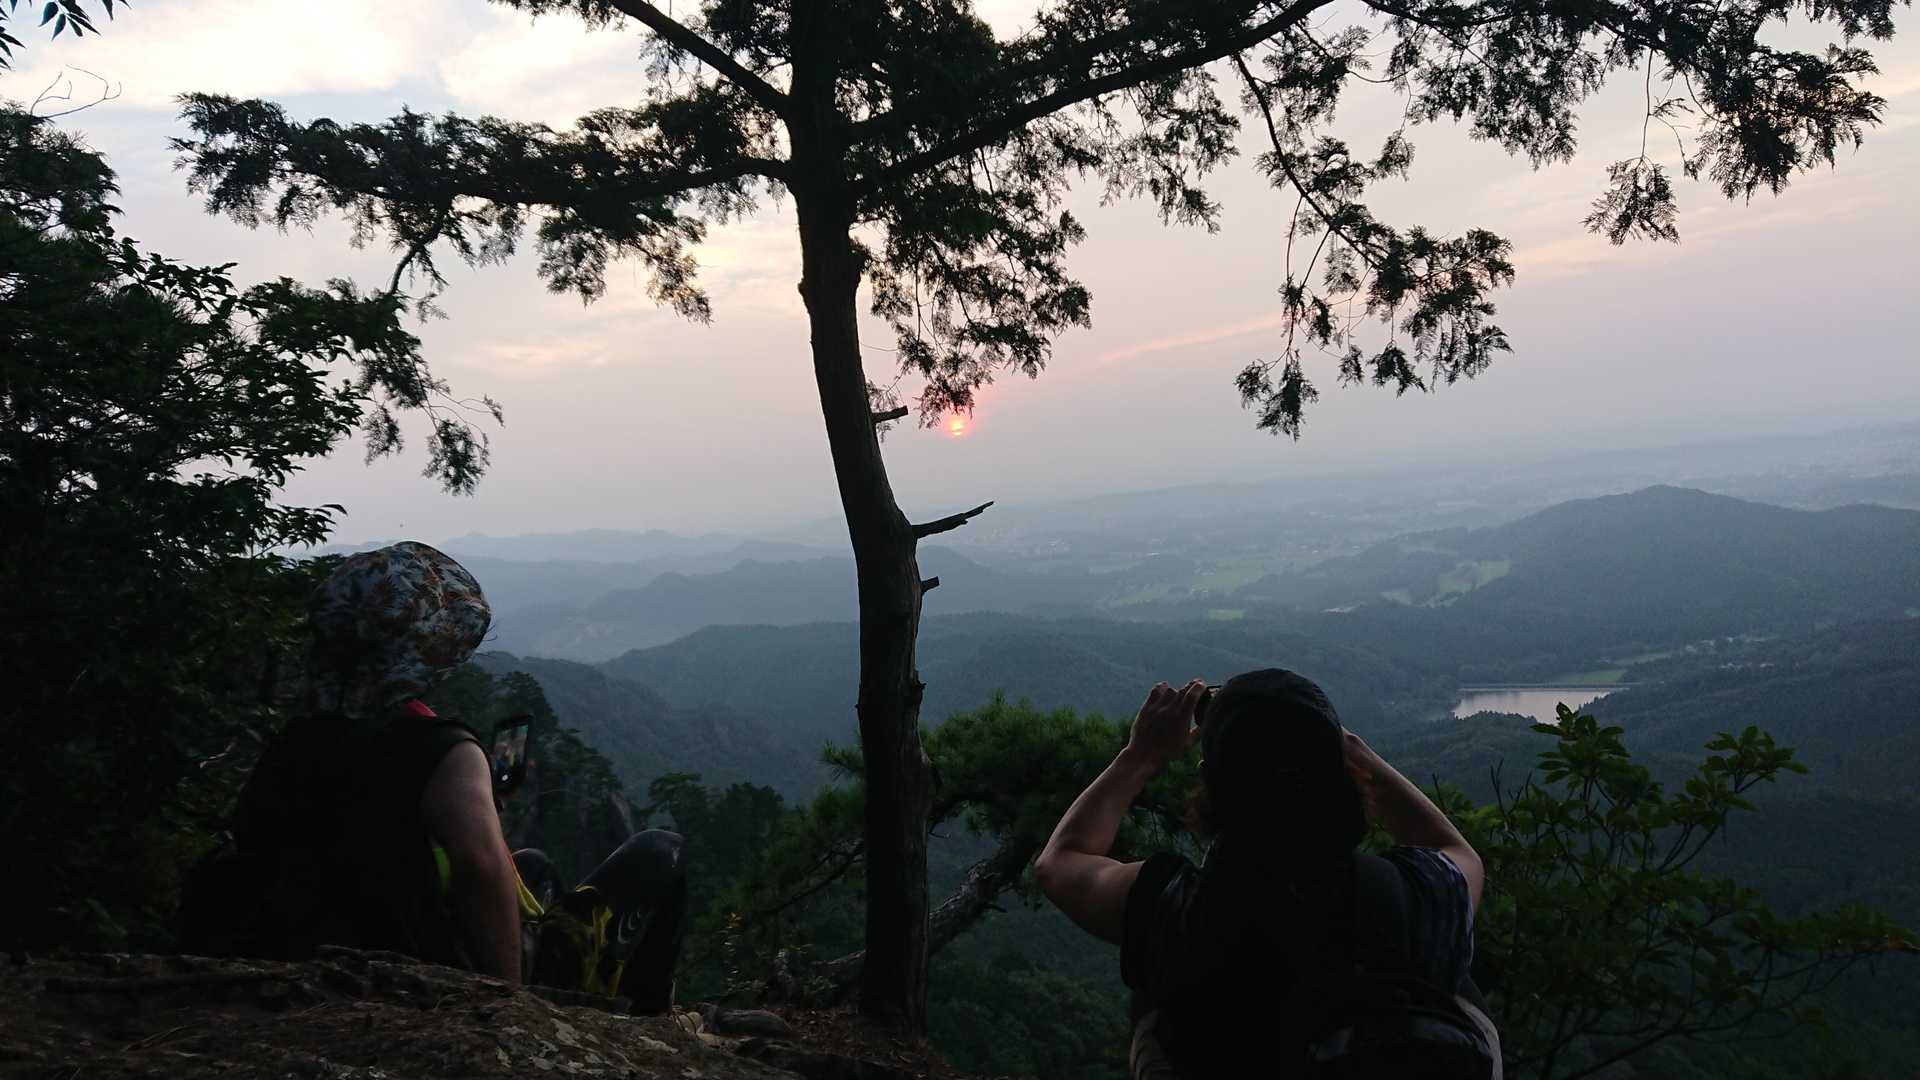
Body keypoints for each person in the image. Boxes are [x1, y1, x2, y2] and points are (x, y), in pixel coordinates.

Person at [178, 543, 688, 1012]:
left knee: (534, 865)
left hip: (322, 952)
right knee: (662, 850)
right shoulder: (440, 750)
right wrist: (510, 1007)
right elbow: (480, 870)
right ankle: (650, 1023)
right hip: (427, 974)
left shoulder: (295, 742)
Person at [1034, 670, 1499, 1078]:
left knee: (1152, 1005)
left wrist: (1139, 756)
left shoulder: (1174, 910)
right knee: (1456, 989)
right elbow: (1457, 852)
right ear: (1343, 776)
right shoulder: (1414, 897)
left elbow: (1061, 861)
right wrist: (1355, 753)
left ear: (1210, 783)